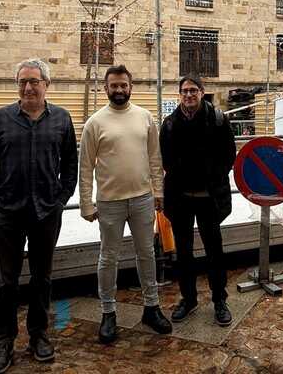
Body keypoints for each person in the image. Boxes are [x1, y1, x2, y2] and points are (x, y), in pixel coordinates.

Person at [0, 58, 77, 374]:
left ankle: (39, 335)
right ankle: (4, 341)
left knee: (41, 278)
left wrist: (61, 199)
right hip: (7, 213)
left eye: (34, 81)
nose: (28, 87)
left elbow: (70, 165)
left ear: (47, 84)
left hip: (46, 212)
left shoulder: (61, 119)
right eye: (23, 81)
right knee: (6, 282)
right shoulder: (0, 118)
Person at [79, 64, 172, 343]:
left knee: (146, 254)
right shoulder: (95, 123)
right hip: (109, 203)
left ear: (131, 87)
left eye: (123, 85)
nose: (119, 89)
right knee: (108, 257)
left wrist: (159, 192)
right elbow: (86, 167)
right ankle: (108, 313)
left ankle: (151, 307)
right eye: (114, 85)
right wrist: (86, 204)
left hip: (143, 199)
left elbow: (155, 158)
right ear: (105, 88)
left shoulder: (145, 117)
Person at [160, 74, 237, 327]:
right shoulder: (169, 124)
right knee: (183, 254)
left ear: (202, 92)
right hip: (180, 200)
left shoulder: (218, 120)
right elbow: (164, 159)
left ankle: (219, 300)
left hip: (209, 199)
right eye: (185, 91)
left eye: (193, 90)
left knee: (215, 252)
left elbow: (229, 156)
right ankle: (189, 298)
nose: (189, 95)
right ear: (179, 94)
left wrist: (211, 177)